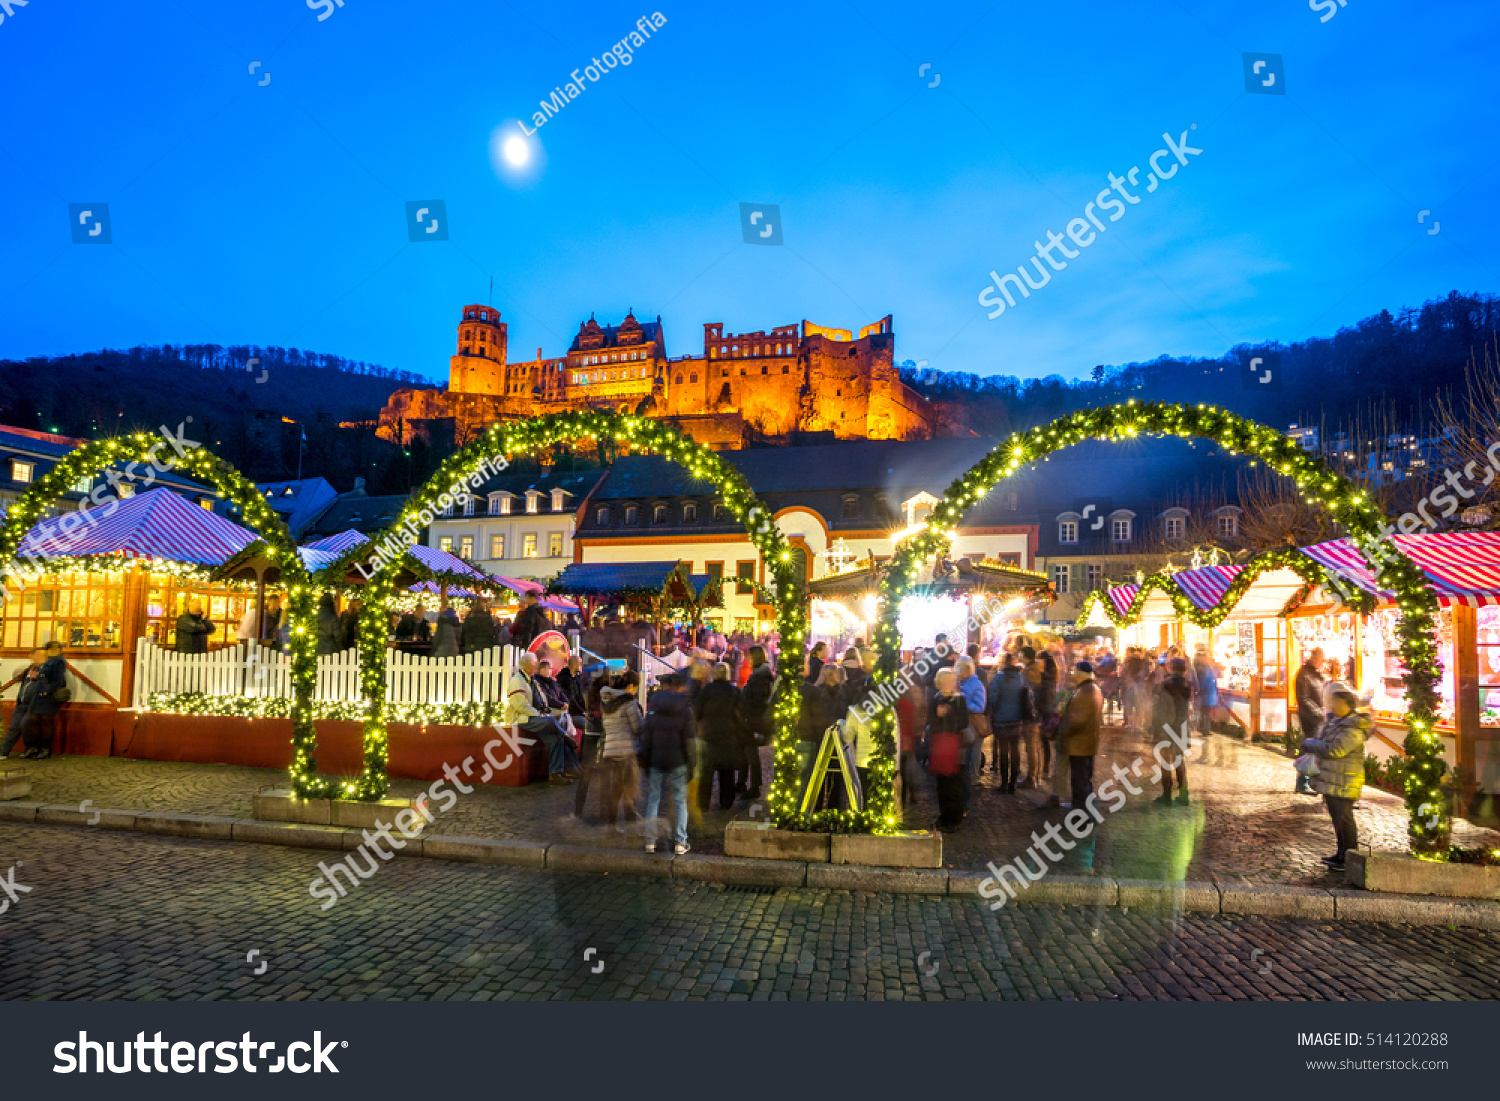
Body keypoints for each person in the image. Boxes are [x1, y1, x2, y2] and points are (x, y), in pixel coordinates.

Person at [1301, 687, 1368, 870]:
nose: (1333, 705)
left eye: (1337, 702)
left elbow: (1335, 750)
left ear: (1348, 705)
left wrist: (1311, 744)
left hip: (1345, 779)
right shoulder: (1335, 722)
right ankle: (1341, 854)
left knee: (1344, 819)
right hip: (1334, 778)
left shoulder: (1353, 727)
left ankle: (1349, 857)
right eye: (1332, 702)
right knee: (1337, 819)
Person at [502, 651, 580, 784]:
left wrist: (544, 711)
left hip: (533, 717)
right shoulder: (517, 681)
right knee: (552, 723)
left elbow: (541, 699)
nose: (536, 666)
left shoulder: (532, 680)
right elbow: (521, 706)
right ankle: (566, 737)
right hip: (522, 719)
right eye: (534, 664)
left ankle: (555, 774)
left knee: (556, 738)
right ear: (528, 665)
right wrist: (539, 715)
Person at [640, 673, 694, 854]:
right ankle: (680, 842)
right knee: (679, 801)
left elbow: (646, 736)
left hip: (656, 757)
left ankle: (650, 841)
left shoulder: (653, 707)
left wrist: (645, 760)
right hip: (678, 759)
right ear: (680, 687)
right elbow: (689, 740)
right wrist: (691, 763)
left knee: (653, 799)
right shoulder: (685, 709)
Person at [693, 662, 742, 810]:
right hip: (728, 736)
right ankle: (726, 802)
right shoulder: (734, 691)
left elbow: (697, 711)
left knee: (706, 773)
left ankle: (703, 803)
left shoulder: (707, 690)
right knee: (727, 771)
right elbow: (741, 713)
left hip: (708, 735)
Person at [926, 668, 970, 831]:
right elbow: (931, 721)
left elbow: (963, 722)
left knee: (953, 782)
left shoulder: (959, 700)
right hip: (939, 743)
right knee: (942, 783)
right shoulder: (935, 699)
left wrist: (947, 714)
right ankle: (944, 816)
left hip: (952, 744)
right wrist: (937, 716)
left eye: (951, 680)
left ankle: (954, 818)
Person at [1056, 661, 1103, 813]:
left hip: (1079, 744)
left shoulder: (1085, 692)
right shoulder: (1091, 689)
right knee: (1083, 780)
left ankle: (1082, 815)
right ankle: (1085, 811)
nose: (1072, 674)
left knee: (1080, 781)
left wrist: (1064, 733)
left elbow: (1077, 720)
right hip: (1085, 743)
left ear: (1080, 673)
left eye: (1074, 671)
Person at [598, 672, 643, 828]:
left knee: (615, 790)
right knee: (630, 790)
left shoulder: (608, 703)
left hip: (611, 752)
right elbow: (638, 727)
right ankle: (631, 826)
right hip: (627, 752)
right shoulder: (629, 703)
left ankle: (611, 825)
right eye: (637, 687)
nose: (636, 690)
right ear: (630, 686)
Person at [986, 652, 1032, 793]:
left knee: (1003, 751)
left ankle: (1004, 783)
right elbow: (1029, 697)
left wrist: (993, 710)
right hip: (1017, 719)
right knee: (1015, 750)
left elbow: (993, 698)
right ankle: (1013, 783)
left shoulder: (998, 678)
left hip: (1001, 719)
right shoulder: (1022, 678)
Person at [797, 664, 845, 798]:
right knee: (826, 778)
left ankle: (822, 808)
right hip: (827, 739)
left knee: (822, 777)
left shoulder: (834, 692)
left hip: (825, 739)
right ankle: (827, 808)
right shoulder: (831, 693)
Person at [1152, 658, 1193, 805]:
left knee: (1165, 761)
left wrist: (1157, 727)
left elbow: (1162, 709)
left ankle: (1167, 794)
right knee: (1179, 760)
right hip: (1182, 726)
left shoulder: (1165, 685)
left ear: (1170, 668)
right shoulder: (1188, 685)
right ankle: (1183, 793)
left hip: (1167, 728)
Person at [738, 644, 774, 799]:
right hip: (752, 721)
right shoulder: (760, 676)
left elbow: (758, 703)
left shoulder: (760, 679)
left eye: (750, 657)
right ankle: (742, 783)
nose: (748, 660)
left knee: (751, 756)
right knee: (747, 753)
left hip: (755, 722)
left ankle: (754, 787)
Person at [22, 641, 67, 760]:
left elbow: (59, 680)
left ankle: (45, 749)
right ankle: (34, 747)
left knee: (46, 722)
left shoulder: (58, 661)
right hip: (38, 695)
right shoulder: (51, 660)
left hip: (46, 696)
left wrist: (47, 690)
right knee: (33, 721)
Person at [1293, 646, 1326, 795]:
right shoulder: (1304, 674)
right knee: (1308, 749)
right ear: (1314, 658)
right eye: (1321, 659)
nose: (1322, 662)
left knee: (1312, 750)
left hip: (1318, 718)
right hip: (1310, 719)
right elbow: (1304, 698)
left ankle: (1309, 782)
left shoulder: (1316, 674)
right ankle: (1302, 782)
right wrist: (1318, 713)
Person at [1, 649, 45, 759]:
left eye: (40, 655)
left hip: (33, 705)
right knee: (13, 727)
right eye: (36, 655)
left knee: (25, 725)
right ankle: (4, 752)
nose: (36, 657)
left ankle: (31, 747)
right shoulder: (30, 668)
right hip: (22, 703)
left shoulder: (45, 669)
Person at [955, 657, 987, 806]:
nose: (957, 672)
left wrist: (963, 702)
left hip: (973, 723)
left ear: (967, 669)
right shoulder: (961, 683)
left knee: (975, 751)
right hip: (965, 723)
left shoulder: (976, 684)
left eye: (960, 669)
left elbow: (980, 706)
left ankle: (974, 777)